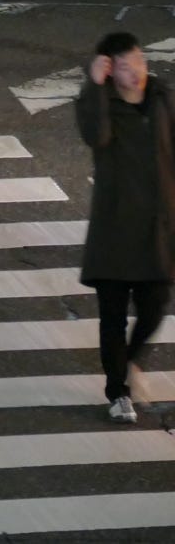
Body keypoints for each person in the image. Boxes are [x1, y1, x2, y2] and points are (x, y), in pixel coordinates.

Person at [77, 33, 175, 424]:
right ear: (108, 70)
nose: (135, 70)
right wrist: (94, 86)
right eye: (123, 65)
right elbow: (95, 135)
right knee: (113, 318)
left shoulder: (163, 98)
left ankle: (131, 362)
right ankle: (118, 392)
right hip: (114, 229)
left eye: (138, 60)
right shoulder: (100, 102)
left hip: (157, 227)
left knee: (155, 305)